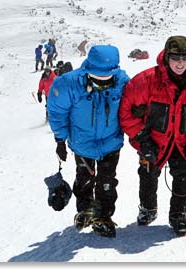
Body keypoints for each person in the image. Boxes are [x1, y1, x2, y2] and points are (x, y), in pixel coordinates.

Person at [119, 35, 186, 236]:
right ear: (166, 58)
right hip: (153, 140)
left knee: (184, 175)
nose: (180, 62)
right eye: (175, 57)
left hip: (183, 141)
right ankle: (148, 209)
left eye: (185, 57)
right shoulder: (147, 80)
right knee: (148, 174)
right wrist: (142, 139)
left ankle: (178, 216)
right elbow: (126, 111)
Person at [47, 45, 130, 237]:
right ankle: (85, 210)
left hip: (111, 143)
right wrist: (60, 140)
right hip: (82, 143)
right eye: (96, 77)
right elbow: (58, 112)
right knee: (84, 179)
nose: (102, 81)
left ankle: (103, 217)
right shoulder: (69, 84)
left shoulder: (123, 83)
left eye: (105, 78)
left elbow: (134, 106)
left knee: (107, 182)